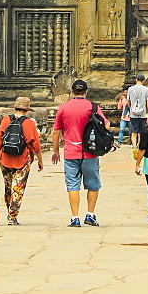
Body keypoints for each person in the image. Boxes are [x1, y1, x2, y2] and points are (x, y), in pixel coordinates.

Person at [52, 78, 108, 227]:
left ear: (71, 92)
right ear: (86, 92)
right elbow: (106, 125)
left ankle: (74, 217)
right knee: (93, 184)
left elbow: (56, 132)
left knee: (73, 185)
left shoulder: (64, 108)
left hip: (71, 152)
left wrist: (56, 151)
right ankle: (90, 215)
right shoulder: (93, 107)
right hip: (90, 151)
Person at [0, 96, 43, 225]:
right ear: (26, 109)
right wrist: (40, 160)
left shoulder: (6, 119)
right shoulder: (29, 123)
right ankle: (12, 216)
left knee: (8, 187)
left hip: (5, 158)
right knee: (18, 188)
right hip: (22, 159)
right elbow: (35, 145)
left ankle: (10, 211)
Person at [127, 73, 148, 150]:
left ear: (136, 80)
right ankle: (140, 146)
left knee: (134, 131)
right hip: (143, 113)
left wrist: (131, 108)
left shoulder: (130, 89)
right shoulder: (146, 89)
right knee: (141, 132)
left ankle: (134, 146)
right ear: (143, 80)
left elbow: (128, 101)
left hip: (133, 114)